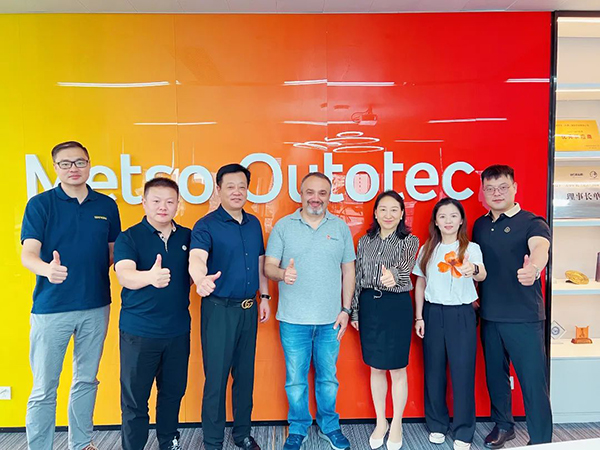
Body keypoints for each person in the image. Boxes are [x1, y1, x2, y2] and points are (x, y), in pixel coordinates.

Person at [20, 141, 121, 450]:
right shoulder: (40, 204)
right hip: (52, 308)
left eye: (80, 162)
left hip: (96, 305)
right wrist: (46, 270)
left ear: (89, 164)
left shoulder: (106, 206)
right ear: (55, 168)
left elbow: (114, 253)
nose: (73, 168)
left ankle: (82, 443)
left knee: (86, 380)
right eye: (65, 163)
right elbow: (28, 254)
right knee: (44, 387)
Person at [264, 172, 356, 450]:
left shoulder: (340, 228)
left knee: (328, 379)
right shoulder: (283, 226)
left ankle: (330, 425)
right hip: (293, 321)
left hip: (331, 321)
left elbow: (348, 271)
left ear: (329, 196)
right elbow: (268, 267)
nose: (316, 198)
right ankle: (298, 428)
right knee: (295, 381)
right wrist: (283, 274)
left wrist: (346, 309)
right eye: (310, 192)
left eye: (322, 193)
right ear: (301, 194)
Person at [189, 163, 271, 450]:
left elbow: (260, 263)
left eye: (242, 186)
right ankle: (212, 441)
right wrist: (200, 278)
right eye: (230, 186)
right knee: (216, 378)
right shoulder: (206, 225)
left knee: (245, 376)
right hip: (219, 310)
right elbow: (197, 258)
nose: (237, 192)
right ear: (219, 189)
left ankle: (242, 434)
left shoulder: (254, 223)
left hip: (249, 309)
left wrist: (264, 297)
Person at [472, 165, 552, 448]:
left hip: (524, 317)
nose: (497, 193)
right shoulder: (480, 225)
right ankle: (504, 426)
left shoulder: (532, 222)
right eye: (490, 188)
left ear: (515, 188)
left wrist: (535, 269)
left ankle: (541, 440)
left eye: (503, 187)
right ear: (483, 192)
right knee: (496, 377)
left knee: (533, 382)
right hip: (490, 315)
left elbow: (540, 247)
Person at [114, 177, 191, 450]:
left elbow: (198, 267)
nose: (163, 207)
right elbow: (124, 274)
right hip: (139, 333)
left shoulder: (187, 236)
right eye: (156, 201)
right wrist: (149, 277)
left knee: (172, 393)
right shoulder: (129, 237)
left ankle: (169, 442)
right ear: (144, 202)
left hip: (178, 331)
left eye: (170, 201)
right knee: (135, 400)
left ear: (178, 204)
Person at [412, 198, 487, 450]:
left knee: (462, 373)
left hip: (462, 314)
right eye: (442, 216)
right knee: (434, 372)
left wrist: (472, 269)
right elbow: (420, 283)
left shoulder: (471, 248)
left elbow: (482, 273)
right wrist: (419, 316)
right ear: (435, 221)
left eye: (453, 216)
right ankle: (437, 424)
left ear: (461, 220)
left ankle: (464, 430)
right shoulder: (427, 249)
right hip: (433, 313)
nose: (448, 221)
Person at [350, 190, 419, 450]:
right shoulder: (364, 241)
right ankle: (381, 422)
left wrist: (394, 277)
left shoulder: (409, 240)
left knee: (397, 368)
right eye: (383, 209)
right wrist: (355, 310)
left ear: (401, 214)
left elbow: (405, 268)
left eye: (394, 210)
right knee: (376, 367)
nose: (388, 215)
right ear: (375, 214)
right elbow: (357, 277)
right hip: (370, 305)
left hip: (396, 306)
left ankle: (397, 423)